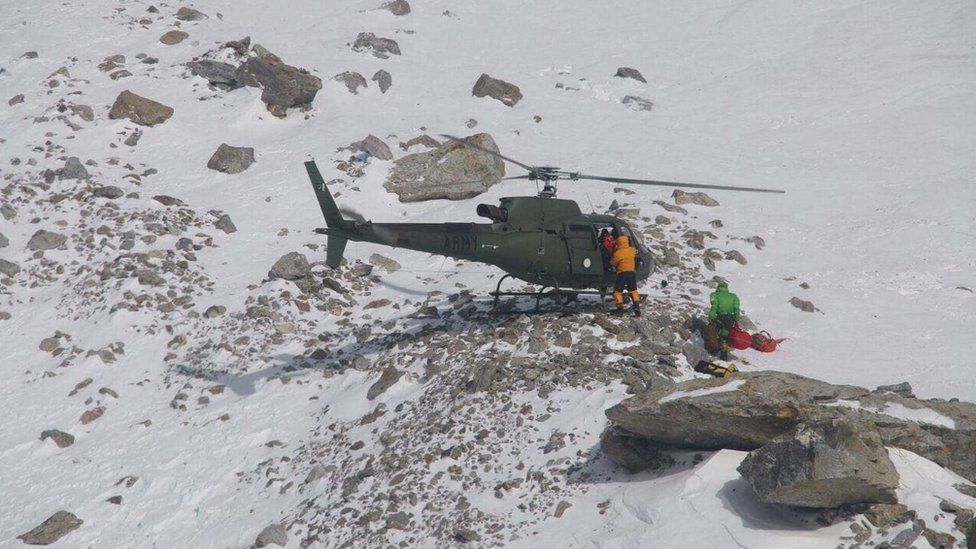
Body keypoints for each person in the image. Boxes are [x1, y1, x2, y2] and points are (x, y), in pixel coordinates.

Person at [708, 281, 741, 360]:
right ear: (726, 288)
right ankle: (724, 354)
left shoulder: (715, 295)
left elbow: (714, 307)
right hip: (730, 318)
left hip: (719, 317)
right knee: (725, 335)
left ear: (718, 287)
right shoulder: (733, 296)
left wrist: (712, 316)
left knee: (716, 333)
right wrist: (736, 318)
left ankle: (715, 349)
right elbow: (736, 309)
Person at [610, 235, 640, 316]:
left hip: (622, 273)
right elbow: (636, 254)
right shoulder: (632, 250)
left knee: (617, 291)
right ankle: (636, 307)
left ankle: (620, 309)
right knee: (633, 290)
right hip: (631, 273)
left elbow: (613, 263)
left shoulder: (618, 253)